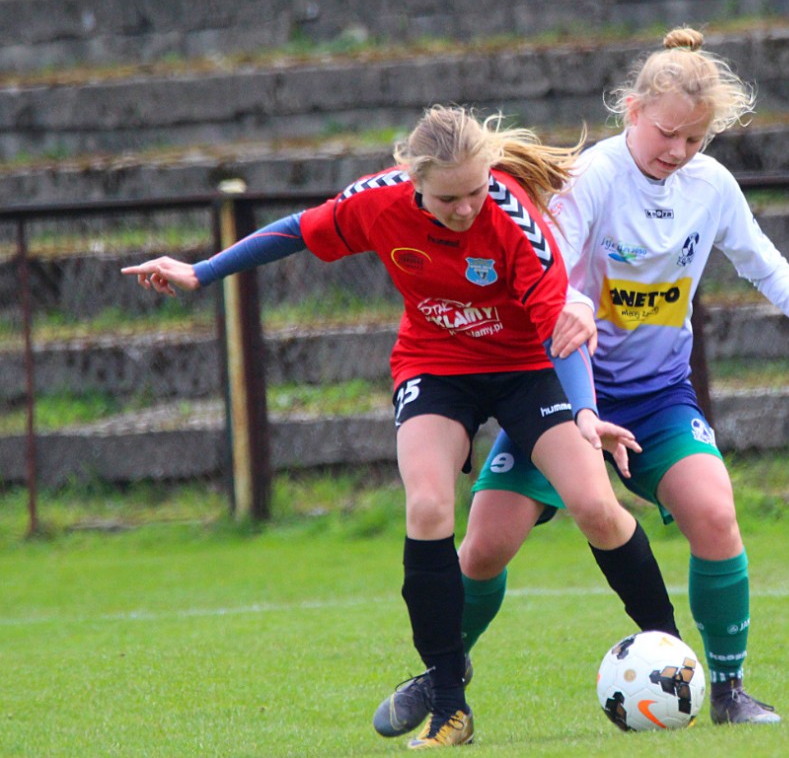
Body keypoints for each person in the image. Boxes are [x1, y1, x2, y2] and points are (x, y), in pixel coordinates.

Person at [122, 104, 679, 750]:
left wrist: (584, 413)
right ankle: (450, 706)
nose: (465, 209)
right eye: (448, 198)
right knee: (428, 506)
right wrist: (200, 271)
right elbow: (297, 230)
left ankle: (673, 658)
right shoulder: (378, 201)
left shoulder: (513, 218)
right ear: (414, 180)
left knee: (597, 508)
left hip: (527, 368)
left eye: (475, 191)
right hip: (436, 364)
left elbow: (562, 330)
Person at [377, 27, 789, 733]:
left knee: (715, 514)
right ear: (633, 109)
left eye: (695, 139)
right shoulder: (592, 178)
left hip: (659, 397)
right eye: (667, 134)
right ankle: (444, 674)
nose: (679, 151)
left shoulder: (711, 186)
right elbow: (554, 282)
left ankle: (727, 688)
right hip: (562, 395)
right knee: (484, 545)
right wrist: (581, 402)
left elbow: (757, 255)